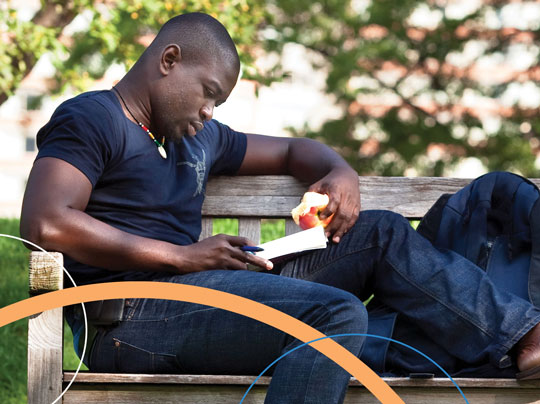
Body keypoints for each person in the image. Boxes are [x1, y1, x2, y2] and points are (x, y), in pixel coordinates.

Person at [20, 11, 540, 403]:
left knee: (380, 232)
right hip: (129, 321)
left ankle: (522, 335)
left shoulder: (197, 140)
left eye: (217, 104)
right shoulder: (93, 118)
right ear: (169, 60)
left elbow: (293, 150)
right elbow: (45, 222)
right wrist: (181, 257)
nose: (208, 111)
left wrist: (339, 171)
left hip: (203, 296)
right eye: (207, 93)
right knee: (335, 313)